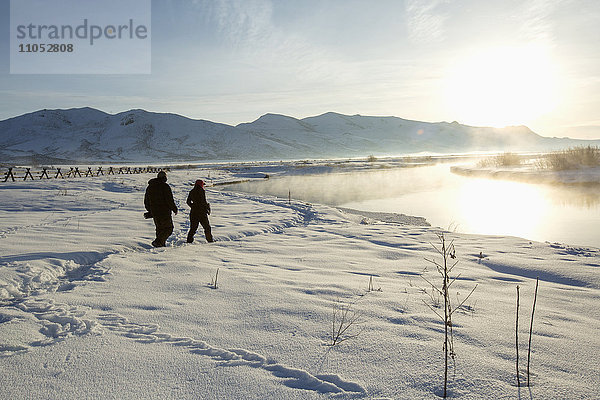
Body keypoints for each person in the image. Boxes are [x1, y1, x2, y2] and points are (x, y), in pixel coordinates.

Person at [144, 170, 178, 247]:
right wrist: (174, 208)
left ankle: (160, 245)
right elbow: (169, 199)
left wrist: (150, 210)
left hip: (155, 212)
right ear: (164, 178)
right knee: (169, 228)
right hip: (164, 212)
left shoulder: (150, 187)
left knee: (159, 229)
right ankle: (158, 242)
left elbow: (146, 200)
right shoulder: (165, 186)